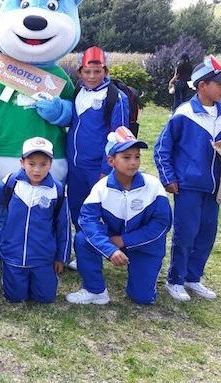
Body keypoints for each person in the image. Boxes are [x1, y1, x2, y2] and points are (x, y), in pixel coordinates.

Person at [155, 56, 221, 301]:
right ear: (202, 85)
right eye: (220, 84)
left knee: (206, 233)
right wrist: (168, 177)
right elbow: (162, 148)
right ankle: (175, 279)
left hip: (213, 186)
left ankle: (193, 277)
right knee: (186, 233)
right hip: (188, 185)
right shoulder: (184, 113)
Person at [66, 127, 171, 305]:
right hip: (113, 242)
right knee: (83, 239)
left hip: (145, 246)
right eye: (126, 157)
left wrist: (124, 240)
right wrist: (109, 248)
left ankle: (141, 277)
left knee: (142, 298)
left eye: (137, 156)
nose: (133, 162)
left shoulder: (153, 186)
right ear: (111, 161)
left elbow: (161, 224)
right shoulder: (101, 187)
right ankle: (95, 290)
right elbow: (88, 221)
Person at [0, 137, 70, 304]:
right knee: (15, 298)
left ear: (50, 164)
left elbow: (63, 227)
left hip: (43, 257)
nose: (37, 169)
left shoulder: (57, 190)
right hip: (13, 255)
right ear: (22, 162)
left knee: (45, 299)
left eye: (43, 164)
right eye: (31, 163)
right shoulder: (12, 182)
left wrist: (60, 258)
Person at [66, 46, 129, 232]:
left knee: (102, 210)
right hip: (75, 165)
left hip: (97, 167)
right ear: (79, 72)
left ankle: (110, 246)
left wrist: (106, 169)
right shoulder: (78, 90)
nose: (91, 76)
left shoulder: (116, 97)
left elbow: (120, 137)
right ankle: (82, 246)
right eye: (87, 72)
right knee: (77, 208)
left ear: (106, 71)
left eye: (97, 72)